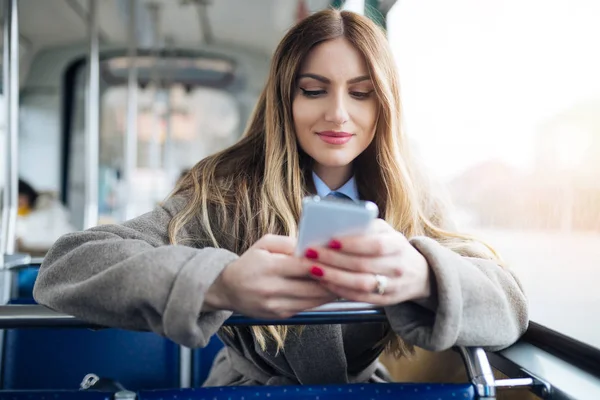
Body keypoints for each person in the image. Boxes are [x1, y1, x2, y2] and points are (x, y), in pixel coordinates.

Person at [33, 9, 528, 386]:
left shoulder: (410, 196)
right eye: (314, 90)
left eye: (361, 93)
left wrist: (423, 274)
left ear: (385, 105)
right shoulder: (223, 191)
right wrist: (219, 283)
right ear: (285, 101)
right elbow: (68, 266)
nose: (338, 114)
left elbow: (508, 303)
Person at [16, 179, 76, 256]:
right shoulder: (18, 215)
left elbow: (60, 238)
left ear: (28, 195)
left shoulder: (51, 208)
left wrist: (24, 241)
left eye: (20, 198)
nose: (19, 203)